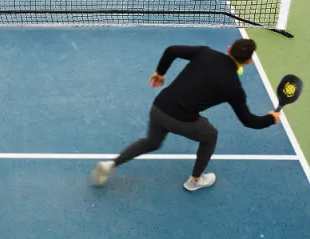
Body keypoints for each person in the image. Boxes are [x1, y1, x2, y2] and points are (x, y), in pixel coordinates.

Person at [92, 39, 281, 192]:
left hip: (159, 107)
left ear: (229, 48)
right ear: (249, 61)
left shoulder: (205, 53)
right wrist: (271, 118)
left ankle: (111, 165)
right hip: (182, 120)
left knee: (152, 142)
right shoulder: (234, 88)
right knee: (210, 135)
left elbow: (172, 50)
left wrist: (160, 72)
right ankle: (195, 180)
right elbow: (248, 121)